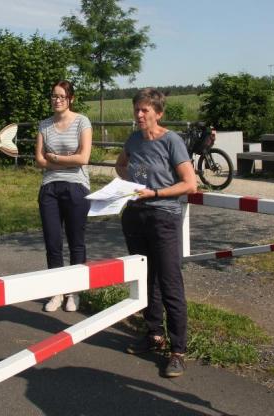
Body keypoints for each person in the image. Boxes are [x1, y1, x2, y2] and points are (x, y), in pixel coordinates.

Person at [115, 88, 198, 378]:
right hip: (136, 215)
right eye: (136, 109)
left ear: (158, 113)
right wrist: (129, 185)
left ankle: (178, 350)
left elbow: (190, 184)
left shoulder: (171, 141)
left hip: (164, 215)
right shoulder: (134, 140)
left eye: (144, 110)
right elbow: (121, 164)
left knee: (170, 280)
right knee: (146, 277)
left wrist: (156, 192)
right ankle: (153, 334)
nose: (138, 115)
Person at [34, 80, 93, 312]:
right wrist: (65, 158)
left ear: (70, 99)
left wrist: (55, 158)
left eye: (61, 96)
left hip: (76, 186)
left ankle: (74, 292)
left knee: (76, 241)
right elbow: (39, 160)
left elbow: (83, 158)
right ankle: (57, 291)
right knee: (53, 242)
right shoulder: (44, 125)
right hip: (49, 187)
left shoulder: (82, 122)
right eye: (53, 96)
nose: (56, 100)